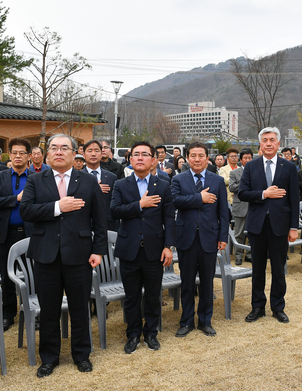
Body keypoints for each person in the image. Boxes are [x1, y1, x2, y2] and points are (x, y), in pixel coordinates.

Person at [20, 134, 108, 378]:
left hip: (79, 254)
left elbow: (100, 220)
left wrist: (98, 250)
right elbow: (26, 210)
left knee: (80, 307)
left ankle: (81, 355)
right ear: (47, 154)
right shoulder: (36, 179)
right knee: (48, 310)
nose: (58, 152)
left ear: (73, 154)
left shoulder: (88, 181)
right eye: (54, 148)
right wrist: (58, 207)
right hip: (45, 255)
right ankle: (49, 358)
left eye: (64, 148)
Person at [110, 141, 175, 354]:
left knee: (154, 294)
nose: (140, 157)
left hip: (155, 249)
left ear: (153, 160)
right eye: (136, 154)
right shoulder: (121, 184)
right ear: (130, 159)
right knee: (132, 295)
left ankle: (151, 333)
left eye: (145, 154)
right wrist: (139, 204)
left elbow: (169, 218)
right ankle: (133, 333)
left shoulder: (164, 185)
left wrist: (168, 246)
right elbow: (115, 211)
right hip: (129, 249)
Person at [239, 127, 299, 324]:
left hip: (280, 225)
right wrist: (264, 194)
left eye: (272, 139)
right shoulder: (251, 166)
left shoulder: (288, 167)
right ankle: (257, 306)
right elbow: (243, 194)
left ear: (278, 143)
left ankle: (278, 307)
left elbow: (294, 199)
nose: (269, 143)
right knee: (257, 268)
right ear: (260, 144)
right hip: (257, 225)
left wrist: (293, 227)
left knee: (278, 268)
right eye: (265, 140)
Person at [171, 142, 229, 337]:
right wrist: (199, 198)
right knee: (186, 282)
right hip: (186, 237)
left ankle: (205, 320)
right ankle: (186, 321)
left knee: (207, 282)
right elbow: (174, 201)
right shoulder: (178, 179)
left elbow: (223, 212)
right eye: (193, 156)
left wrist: (223, 237)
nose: (197, 159)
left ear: (207, 158)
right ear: (187, 158)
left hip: (209, 237)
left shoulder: (218, 180)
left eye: (201, 155)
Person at [0, 138, 34, 332]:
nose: (17, 156)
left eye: (22, 153)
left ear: (29, 156)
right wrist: (15, 198)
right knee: (7, 276)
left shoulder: (36, 178)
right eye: (14, 152)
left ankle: (34, 310)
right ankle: (8, 314)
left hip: (31, 233)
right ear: (9, 154)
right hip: (5, 233)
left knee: (33, 274)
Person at [83, 139, 119, 232]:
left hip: (107, 225)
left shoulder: (112, 177)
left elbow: (115, 203)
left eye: (97, 151)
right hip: (83, 224)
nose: (93, 154)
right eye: (90, 151)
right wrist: (94, 190)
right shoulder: (77, 177)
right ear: (84, 154)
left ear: (101, 153)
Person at [229, 149, 253, 265]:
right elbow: (232, 188)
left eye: (249, 158)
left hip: (254, 206)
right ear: (241, 160)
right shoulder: (235, 173)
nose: (247, 160)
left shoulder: (257, 171)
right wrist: (245, 181)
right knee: (239, 233)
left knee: (253, 233)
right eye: (245, 158)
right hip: (240, 206)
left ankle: (249, 255)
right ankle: (238, 255)